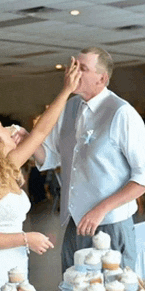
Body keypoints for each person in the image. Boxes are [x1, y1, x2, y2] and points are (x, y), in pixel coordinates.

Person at [0, 58, 81, 291]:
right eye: (1, 127)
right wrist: (26, 238)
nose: (10, 129)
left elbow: (41, 131)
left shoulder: (5, 167)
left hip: (16, 262)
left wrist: (66, 90)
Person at [34, 47, 145, 273]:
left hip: (111, 223)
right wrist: (28, 141)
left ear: (102, 79)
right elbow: (52, 155)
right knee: (75, 288)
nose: (74, 73)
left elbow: (142, 177)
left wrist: (100, 209)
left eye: (82, 68)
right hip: (75, 223)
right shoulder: (68, 108)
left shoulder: (122, 113)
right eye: (73, 67)